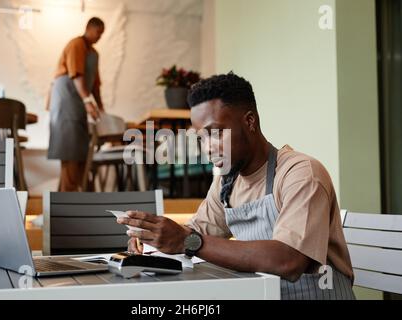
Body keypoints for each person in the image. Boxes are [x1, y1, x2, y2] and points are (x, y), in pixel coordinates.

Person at [117, 72, 356, 300]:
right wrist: (152, 241)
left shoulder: (301, 173)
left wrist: (187, 241)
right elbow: (197, 233)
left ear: (250, 121)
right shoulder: (227, 180)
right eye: (201, 138)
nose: (207, 148)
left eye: (215, 133)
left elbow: (288, 261)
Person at [48, 17, 105, 191]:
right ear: (88, 28)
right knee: (70, 149)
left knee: (80, 150)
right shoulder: (76, 45)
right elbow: (76, 75)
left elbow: (94, 84)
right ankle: (68, 196)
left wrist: (102, 109)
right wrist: (88, 101)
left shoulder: (94, 54)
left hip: (79, 102)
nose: (99, 37)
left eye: (102, 34)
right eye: (98, 32)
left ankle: (74, 195)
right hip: (66, 99)